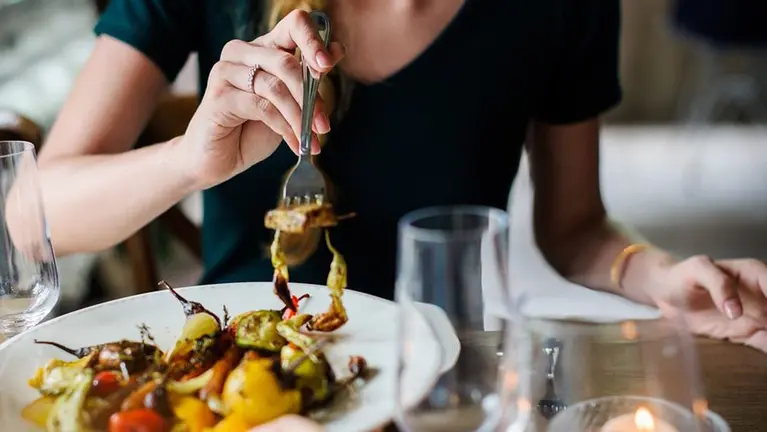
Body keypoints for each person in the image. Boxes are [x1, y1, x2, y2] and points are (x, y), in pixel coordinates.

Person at [37, 0, 767, 362]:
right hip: (242, 380)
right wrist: (191, 159)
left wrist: (656, 276)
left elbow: (574, 228)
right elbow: (31, 214)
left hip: (447, 374)